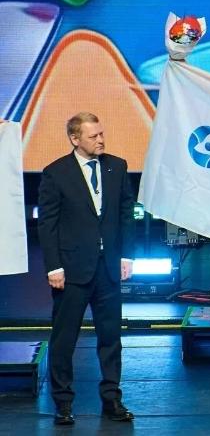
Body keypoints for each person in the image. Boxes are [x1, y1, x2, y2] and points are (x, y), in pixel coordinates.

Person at [38, 112, 135, 425]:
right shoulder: (56, 173)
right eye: (93, 136)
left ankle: (112, 399)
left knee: (111, 338)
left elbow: (126, 213)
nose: (101, 140)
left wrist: (127, 256)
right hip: (72, 271)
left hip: (108, 269)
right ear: (75, 138)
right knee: (64, 340)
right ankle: (63, 403)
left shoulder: (117, 167)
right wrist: (54, 266)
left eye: (101, 134)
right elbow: (47, 225)